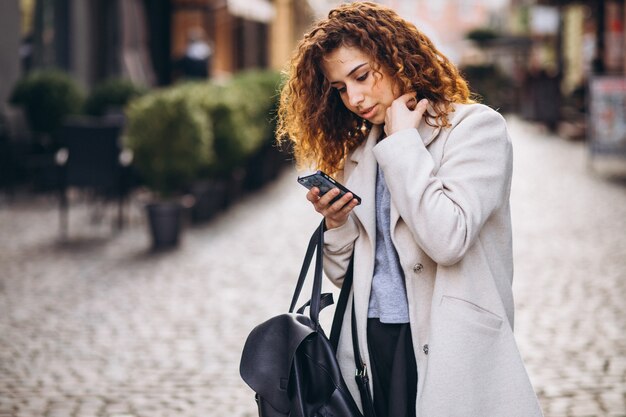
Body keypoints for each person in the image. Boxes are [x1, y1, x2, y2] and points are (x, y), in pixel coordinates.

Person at [276, 2, 544, 417]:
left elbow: (448, 240)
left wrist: (403, 145)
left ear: (396, 57)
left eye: (362, 76)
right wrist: (337, 221)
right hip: (370, 344)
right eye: (340, 88)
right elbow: (344, 274)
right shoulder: (361, 154)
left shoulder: (474, 131)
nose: (355, 97)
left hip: (450, 343)